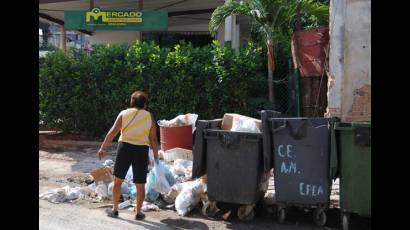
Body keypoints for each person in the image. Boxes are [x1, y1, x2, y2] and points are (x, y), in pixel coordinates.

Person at [97, 91, 159, 220]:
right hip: (141, 150)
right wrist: (156, 157)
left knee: (118, 181)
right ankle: (138, 212)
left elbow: (113, 132)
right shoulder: (149, 116)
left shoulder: (123, 113)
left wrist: (103, 148)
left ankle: (115, 210)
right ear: (145, 104)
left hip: (124, 148)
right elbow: (153, 139)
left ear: (131, 102)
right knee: (140, 183)